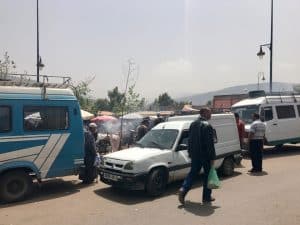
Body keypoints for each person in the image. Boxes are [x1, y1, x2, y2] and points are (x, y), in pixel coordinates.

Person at [178, 107, 216, 205]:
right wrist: (212, 157)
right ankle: (206, 197)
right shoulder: (207, 126)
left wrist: (190, 153)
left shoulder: (193, 124)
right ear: (204, 113)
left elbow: (189, 141)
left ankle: (183, 189)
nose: (211, 114)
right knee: (207, 176)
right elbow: (210, 144)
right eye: (209, 112)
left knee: (192, 173)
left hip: (195, 155)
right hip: (205, 156)